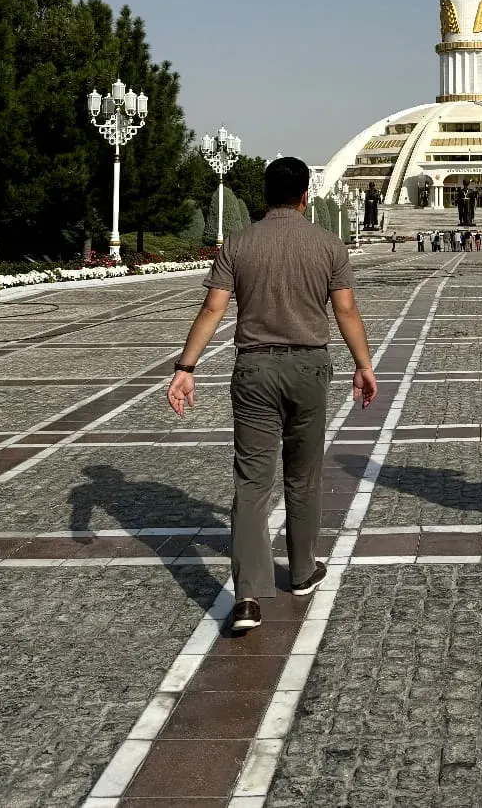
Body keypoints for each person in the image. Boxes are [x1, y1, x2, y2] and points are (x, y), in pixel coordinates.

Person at [166, 156, 378, 633]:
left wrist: (186, 367)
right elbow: (345, 311)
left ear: (265, 196)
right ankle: (301, 572)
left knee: (251, 483)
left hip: (255, 369)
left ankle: (246, 598)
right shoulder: (328, 244)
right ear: (306, 195)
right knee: (303, 475)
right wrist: (364, 365)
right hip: (308, 368)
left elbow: (213, 308)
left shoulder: (239, 243)